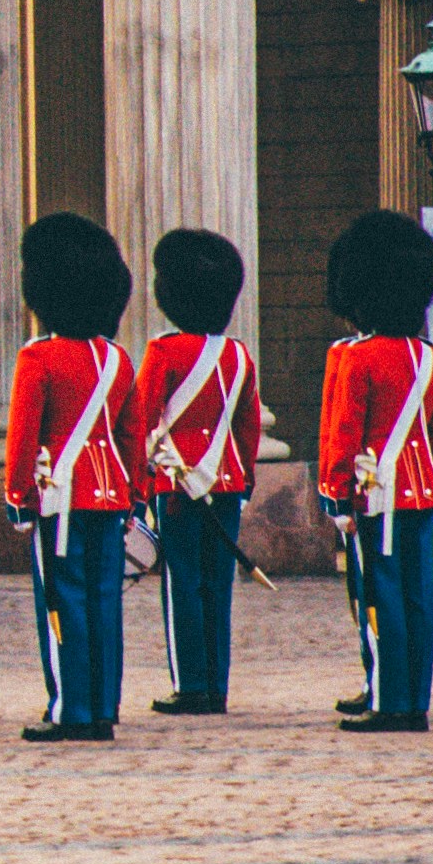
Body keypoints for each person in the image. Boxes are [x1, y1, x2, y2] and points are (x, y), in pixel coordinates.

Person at [317, 207, 433, 733]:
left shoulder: (361, 358)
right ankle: (411, 694)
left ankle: (391, 700)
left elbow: (344, 435)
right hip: (421, 493)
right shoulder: (431, 358)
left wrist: (336, 496)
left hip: (375, 495)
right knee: (418, 599)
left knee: (380, 596)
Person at [2, 214, 142, 745]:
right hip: (110, 496)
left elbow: (23, 438)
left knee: (64, 602)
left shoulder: (39, 358)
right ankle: (104, 705)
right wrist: (132, 495)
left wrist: (19, 496)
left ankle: (71, 709)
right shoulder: (117, 360)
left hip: (60, 500)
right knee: (105, 601)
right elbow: (130, 437)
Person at [137, 229, 265, 717]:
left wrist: (139, 481)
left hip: (177, 481)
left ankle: (191, 685)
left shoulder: (165, 352)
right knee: (218, 583)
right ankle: (217, 684)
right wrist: (243, 477)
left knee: (183, 581)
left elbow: (142, 418)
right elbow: (247, 424)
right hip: (227, 480)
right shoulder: (237, 355)